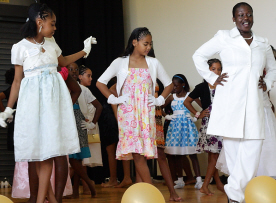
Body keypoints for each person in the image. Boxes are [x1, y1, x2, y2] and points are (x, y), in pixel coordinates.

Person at [0, 3, 96, 203]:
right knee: (39, 154)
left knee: (50, 151)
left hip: (54, 102)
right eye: (52, 24)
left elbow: (63, 62)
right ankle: (46, 200)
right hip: (33, 103)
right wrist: (8, 109)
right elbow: (17, 81)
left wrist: (84, 51)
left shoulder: (52, 43)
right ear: (39, 22)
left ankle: (45, 199)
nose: (55, 28)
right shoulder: (20, 47)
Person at [192, 2, 276, 202]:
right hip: (229, 105)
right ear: (234, 18)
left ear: (253, 17)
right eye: (240, 15)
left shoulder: (262, 43)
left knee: (253, 148)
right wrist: (213, 79)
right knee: (233, 152)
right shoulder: (224, 37)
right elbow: (198, 55)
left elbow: (272, 68)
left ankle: (234, 193)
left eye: (248, 14)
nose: (245, 18)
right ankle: (237, 197)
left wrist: (268, 82)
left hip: (254, 104)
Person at [97, 27, 173, 184]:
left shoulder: (153, 63)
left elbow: (169, 84)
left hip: (146, 113)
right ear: (134, 42)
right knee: (137, 154)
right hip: (128, 114)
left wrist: (159, 100)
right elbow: (100, 82)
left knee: (143, 153)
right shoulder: (120, 63)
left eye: (150, 44)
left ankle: (145, 192)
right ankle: (152, 193)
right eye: (145, 43)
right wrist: (113, 98)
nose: (149, 47)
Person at [184, 59, 224, 195]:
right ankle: (205, 185)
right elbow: (187, 101)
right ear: (208, 71)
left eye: (219, 69)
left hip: (222, 122)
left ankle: (218, 183)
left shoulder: (224, 85)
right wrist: (198, 114)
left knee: (214, 154)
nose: (217, 72)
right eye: (213, 69)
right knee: (214, 155)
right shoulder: (201, 87)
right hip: (210, 124)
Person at [163, 74, 202, 190]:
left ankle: (199, 180)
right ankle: (180, 180)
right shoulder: (171, 97)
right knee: (177, 154)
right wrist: (167, 117)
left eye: (176, 86)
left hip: (187, 127)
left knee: (192, 154)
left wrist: (196, 117)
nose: (174, 88)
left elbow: (204, 106)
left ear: (183, 84)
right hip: (175, 128)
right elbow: (158, 107)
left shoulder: (190, 96)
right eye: (173, 86)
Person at [67, 63, 99, 198]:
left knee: (75, 159)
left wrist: (92, 123)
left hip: (75, 121)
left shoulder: (82, 89)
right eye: (71, 70)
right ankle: (75, 191)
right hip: (70, 120)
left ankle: (89, 183)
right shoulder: (65, 85)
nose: (74, 72)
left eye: (76, 70)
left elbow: (99, 106)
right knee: (75, 159)